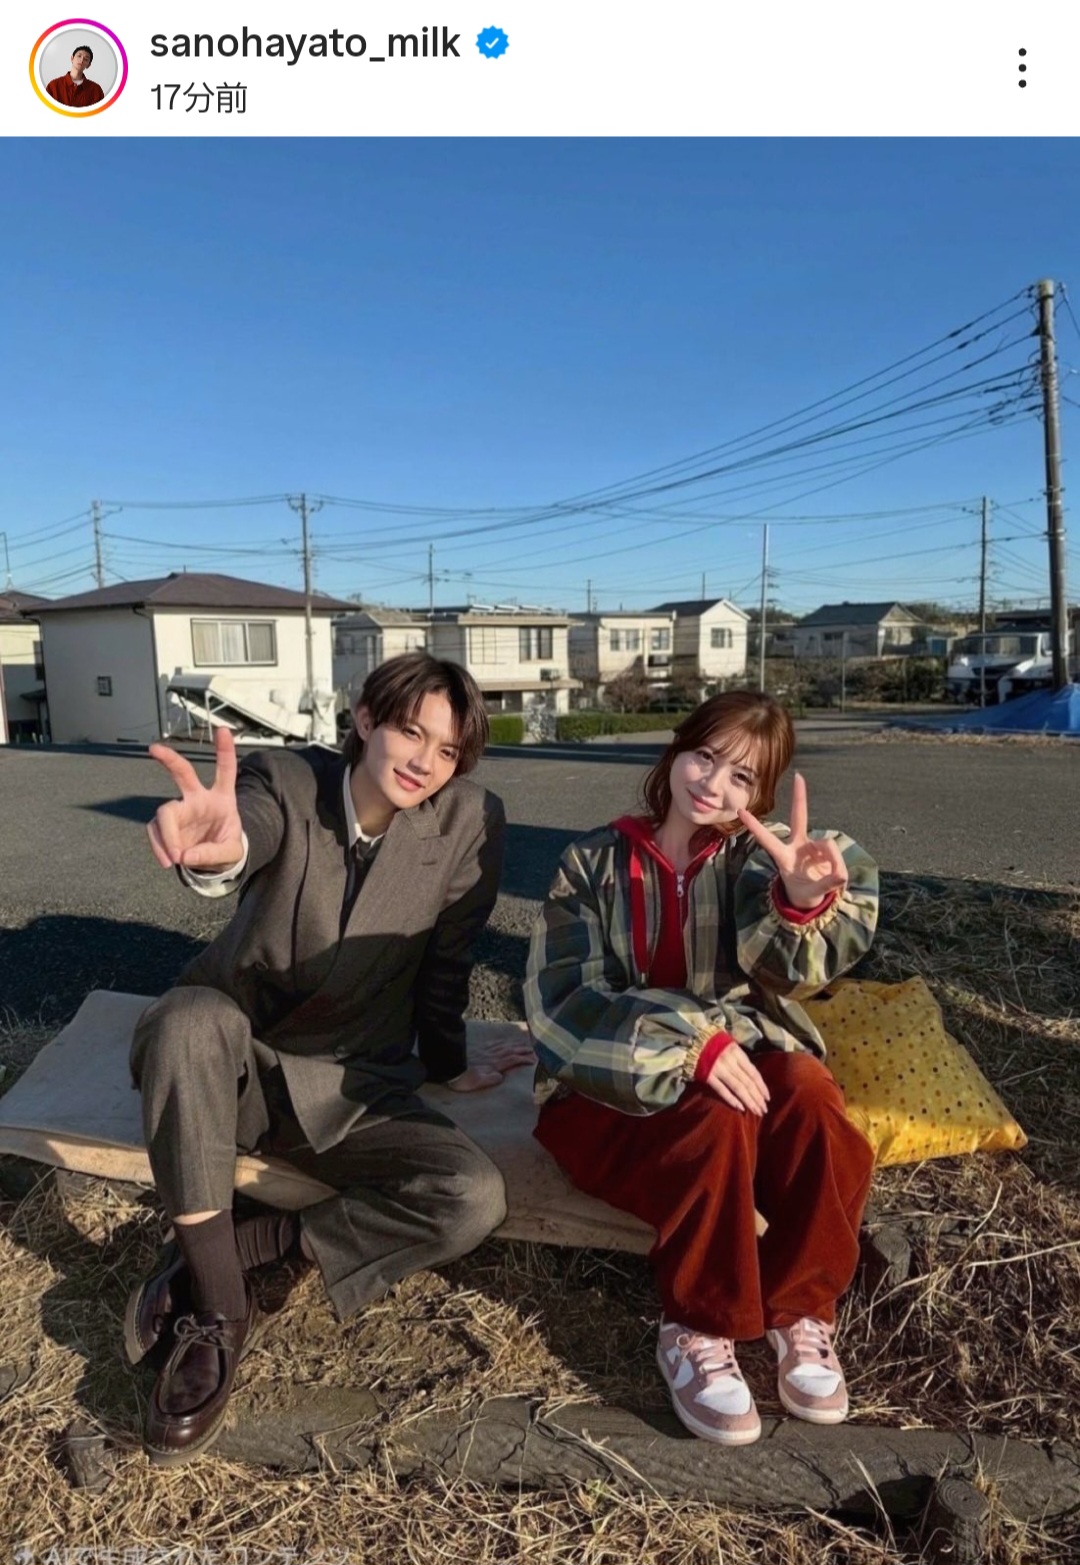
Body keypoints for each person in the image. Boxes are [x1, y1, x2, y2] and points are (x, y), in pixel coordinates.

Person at [128, 651, 532, 1466]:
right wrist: (222, 852)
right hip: (237, 1062)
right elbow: (245, 831)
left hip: (357, 1083)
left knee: (470, 1195)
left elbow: (447, 962)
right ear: (364, 720)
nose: (424, 761)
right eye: (410, 732)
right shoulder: (288, 780)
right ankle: (219, 1306)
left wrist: (447, 1061)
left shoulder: (470, 820)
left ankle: (255, 1245)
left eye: (447, 749)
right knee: (183, 1022)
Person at [524, 691, 879, 1446]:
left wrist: (799, 902)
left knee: (811, 1093)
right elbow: (561, 1005)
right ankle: (698, 1324)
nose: (713, 784)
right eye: (705, 756)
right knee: (720, 1117)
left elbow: (788, 973)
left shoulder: (753, 864)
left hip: (738, 1070)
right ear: (676, 751)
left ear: (762, 796)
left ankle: (800, 1311)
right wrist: (692, 1043)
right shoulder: (590, 863)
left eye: (741, 777)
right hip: (601, 1094)